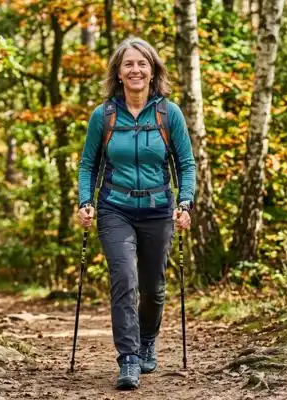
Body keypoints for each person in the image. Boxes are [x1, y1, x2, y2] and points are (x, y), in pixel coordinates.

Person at [77, 37, 196, 390]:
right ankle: (127, 358)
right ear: (118, 71)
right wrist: (87, 201)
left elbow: (185, 164)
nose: (135, 70)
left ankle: (147, 341)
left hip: (159, 209)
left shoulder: (168, 113)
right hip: (116, 208)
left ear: (153, 70)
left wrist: (184, 203)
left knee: (154, 288)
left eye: (142, 64)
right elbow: (88, 164)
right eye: (128, 64)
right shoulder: (104, 116)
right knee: (124, 280)